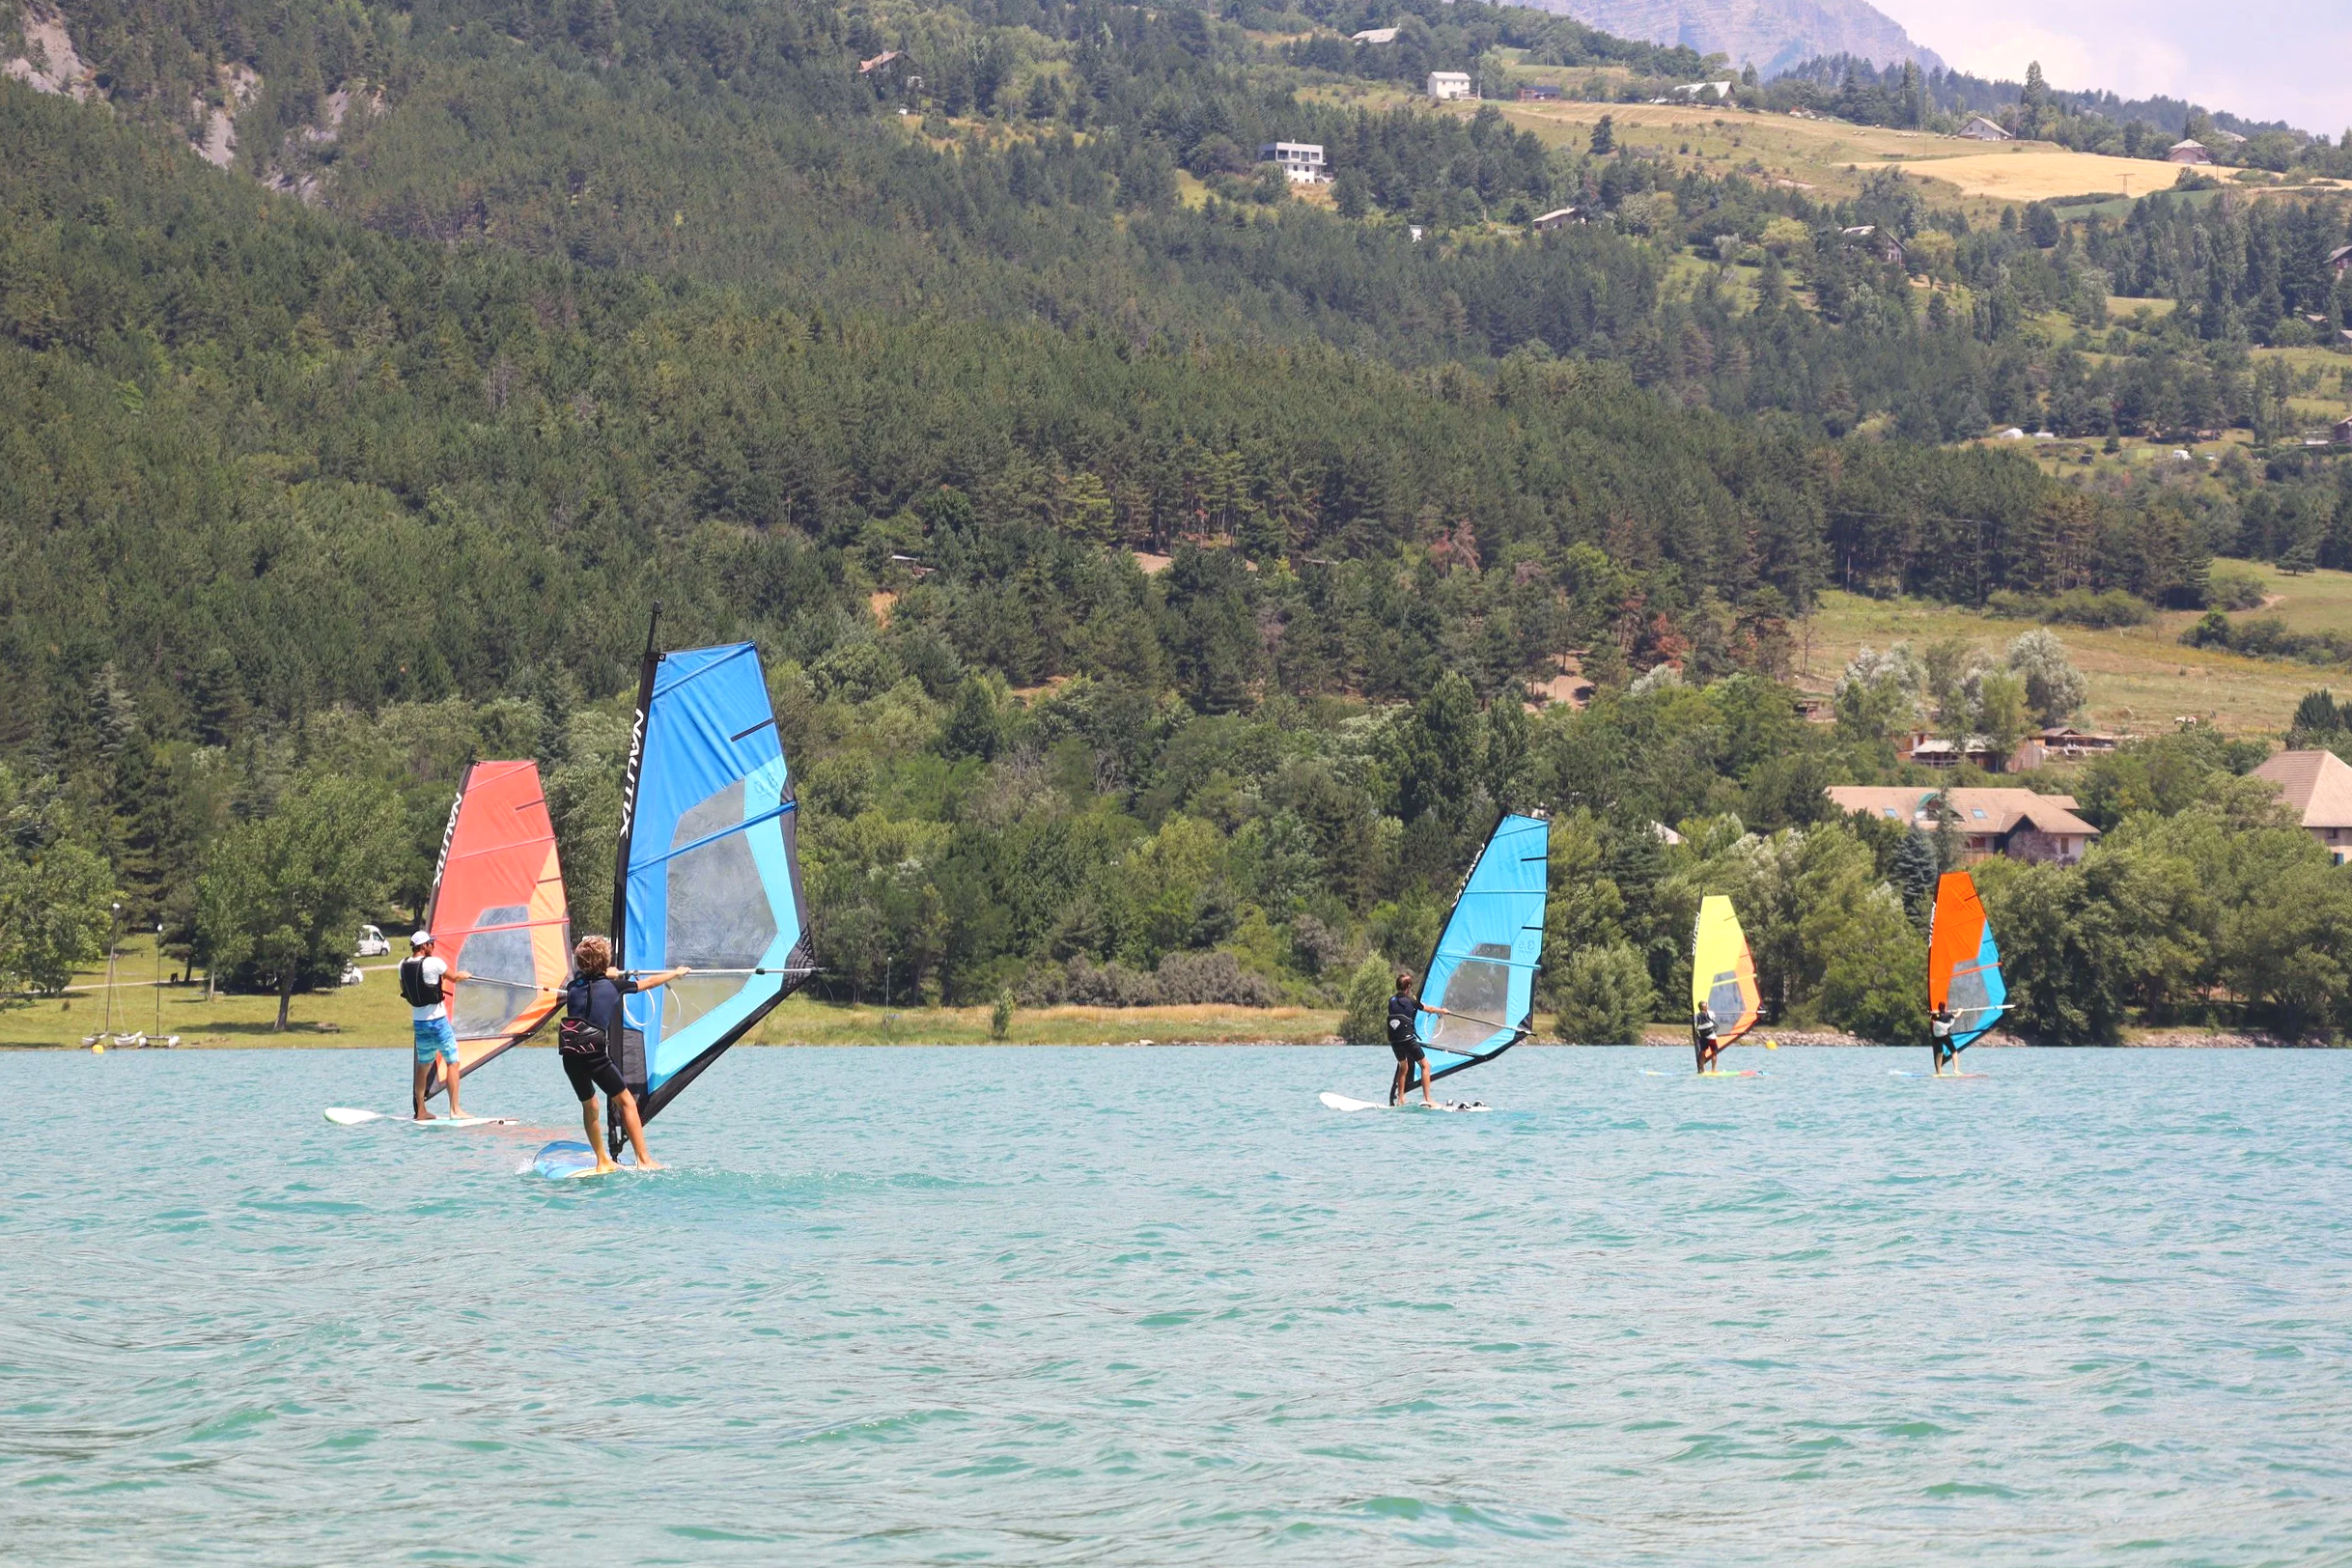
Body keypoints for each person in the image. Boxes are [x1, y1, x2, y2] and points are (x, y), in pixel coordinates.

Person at [562, 935, 688, 1173]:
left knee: (590, 1106)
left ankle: (602, 1161)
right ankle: (644, 1160)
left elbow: (587, 980)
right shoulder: (613, 986)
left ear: (580, 963)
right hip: (596, 1056)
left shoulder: (572, 987)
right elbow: (649, 983)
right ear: (605, 963)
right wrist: (676, 972)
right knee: (627, 1102)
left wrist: (603, 972)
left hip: (570, 1054)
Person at [404, 931, 473, 1121]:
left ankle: (421, 1111)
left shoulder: (403, 965)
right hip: (437, 1022)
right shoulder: (434, 963)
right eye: (431, 944)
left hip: (419, 1023)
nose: (433, 947)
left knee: (424, 1064)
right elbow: (455, 977)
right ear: (424, 946)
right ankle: (455, 1110)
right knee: (452, 1061)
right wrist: (464, 975)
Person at [1387, 970, 1441, 1107]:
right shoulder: (1411, 1000)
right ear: (1408, 987)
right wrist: (1442, 1011)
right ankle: (1428, 1099)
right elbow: (1427, 1008)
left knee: (1403, 1067)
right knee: (1425, 1065)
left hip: (1394, 1040)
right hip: (1407, 1039)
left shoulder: (1391, 1001)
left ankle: (1400, 1100)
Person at [1692, 999, 1720, 1075]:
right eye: (1706, 1005)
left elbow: (1696, 1024)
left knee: (1702, 1052)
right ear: (1703, 1007)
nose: (1707, 1006)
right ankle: (1713, 1070)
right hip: (1711, 1037)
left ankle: (1702, 1070)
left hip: (1703, 1037)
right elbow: (1713, 1019)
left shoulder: (1696, 1016)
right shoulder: (1710, 1013)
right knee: (1714, 1053)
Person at [1930, 1002, 1956, 1076]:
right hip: (1944, 1036)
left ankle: (1939, 1072)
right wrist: (1960, 1010)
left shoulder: (1935, 1016)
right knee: (1954, 1052)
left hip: (1936, 1037)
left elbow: (1932, 1018)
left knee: (1939, 1053)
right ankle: (1956, 1070)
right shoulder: (1948, 1014)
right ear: (1945, 1007)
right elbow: (1956, 1016)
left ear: (1938, 1008)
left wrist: (1935, 1012)